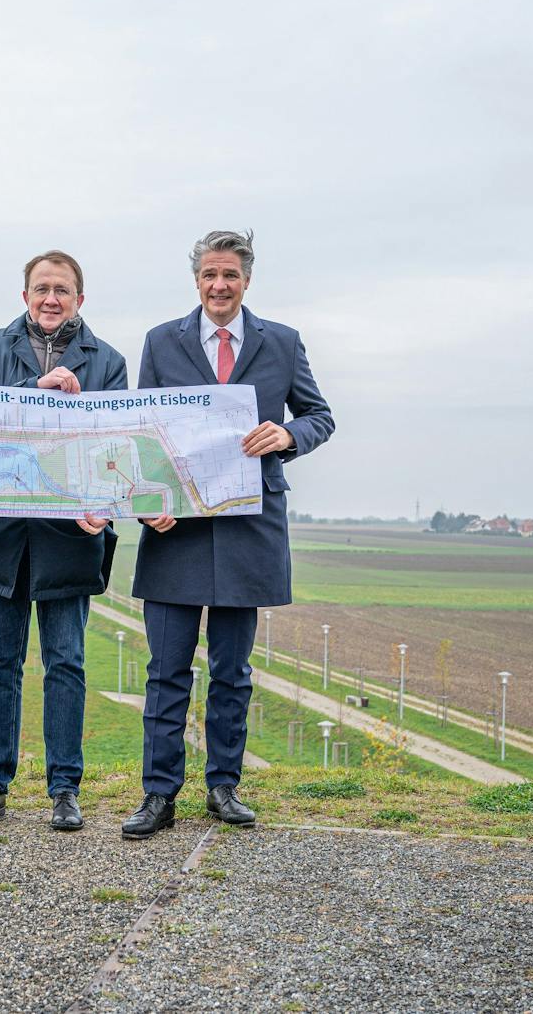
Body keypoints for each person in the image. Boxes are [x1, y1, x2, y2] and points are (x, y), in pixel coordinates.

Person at [121, 229, 334, 839]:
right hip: (176, 528)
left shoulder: (283, 343)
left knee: (233, 670)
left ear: (247, 281)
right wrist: (145, 504)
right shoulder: (162, 342)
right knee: (166, 670)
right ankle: (159, 794)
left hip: (249, 526)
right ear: (197, 280)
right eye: (210, 275)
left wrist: (289, 435)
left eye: (231, 276)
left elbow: (321, 415)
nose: (220, 286)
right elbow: (144, 430)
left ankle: (223, 786)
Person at [0, 250, 128, 832]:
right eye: (41, 288)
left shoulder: (110, 362)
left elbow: (115, 445)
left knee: (66, 664)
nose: (51, 299)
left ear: (80, 299)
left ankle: (65, 788)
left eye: (63, 290)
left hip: (68, 539)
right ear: (25, 294)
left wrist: (107, 506)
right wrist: (38, 389)